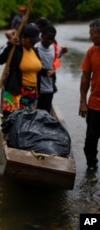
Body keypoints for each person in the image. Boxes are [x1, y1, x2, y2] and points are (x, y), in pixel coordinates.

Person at [0, 23, 43, 117]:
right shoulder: (16, 49)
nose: (33, 43)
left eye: (34, 41)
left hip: (32, 94)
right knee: (13, 122)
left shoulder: (35, 51)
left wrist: (47, 72)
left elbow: (36, 69)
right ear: (24, 38)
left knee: (27, 123)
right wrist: (10, 44)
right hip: (16, 93)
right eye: (31, 40)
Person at [79, 18, 100, 172]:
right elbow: (85, 77)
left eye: (92, 34)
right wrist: (82, 101)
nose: (90, 37)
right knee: (90, 141)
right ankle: (91, 166)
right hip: (94, 106)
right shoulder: (91, 51)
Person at [35, 25, 68, 113]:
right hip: (37, 89)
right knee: (36, 113)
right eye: (48, 39)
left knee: (46, 113)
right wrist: (45, 72)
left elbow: (55, 57)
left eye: (52, 39)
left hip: (49, 88)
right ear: (41, 36)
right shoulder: (35, 48)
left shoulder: (54, 47)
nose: (50, 41)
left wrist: (62, 52)